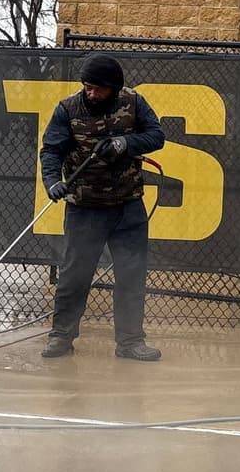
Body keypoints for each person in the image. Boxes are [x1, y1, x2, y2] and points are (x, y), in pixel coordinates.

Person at [38, 53, 165, 361]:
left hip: (128, 206)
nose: (91, 93)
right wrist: (53, 182)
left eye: (98, 89)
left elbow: (156, 136)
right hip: (85, 207)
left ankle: (130, 342)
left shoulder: (133, 102)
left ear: (113, 87)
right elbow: (51, 151)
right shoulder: (68, 109)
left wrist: (126, 144)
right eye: (87, 86)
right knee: (74, 275)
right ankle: (61, 337)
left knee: (131, 277)